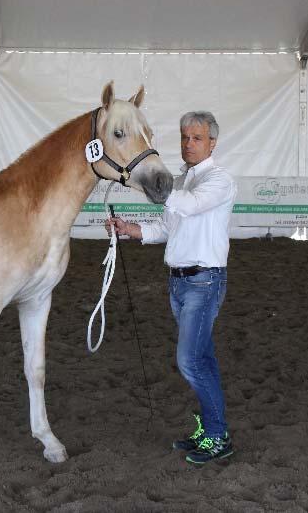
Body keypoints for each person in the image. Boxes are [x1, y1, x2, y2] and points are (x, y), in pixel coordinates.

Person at [107, 111, 237, 465]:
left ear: (212, 143)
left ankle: (217, 435)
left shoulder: (218, 180)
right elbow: (167, 229)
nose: (188, 144)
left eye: (196, 138)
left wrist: (155, 184)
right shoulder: (180, 182)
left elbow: (191, 207)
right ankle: (212, 431)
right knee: (202, 359)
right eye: (184, 138)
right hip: (180, 283)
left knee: (190, 360)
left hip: (204, 281)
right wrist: (130, 229)